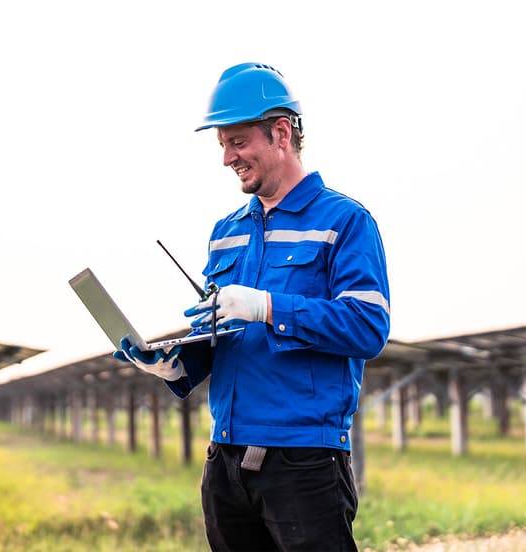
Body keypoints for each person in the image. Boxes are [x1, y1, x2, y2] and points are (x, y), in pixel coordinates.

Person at [114, 62, 391, 552]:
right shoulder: (225, 233)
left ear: (281, 133)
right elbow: (223, 336)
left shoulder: (345, 221)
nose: (226, 157)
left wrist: (267, 306)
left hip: (304, 461)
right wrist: (175, 365)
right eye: (222, 143)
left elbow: (367, 327)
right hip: (225, 460)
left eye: (237, 141)